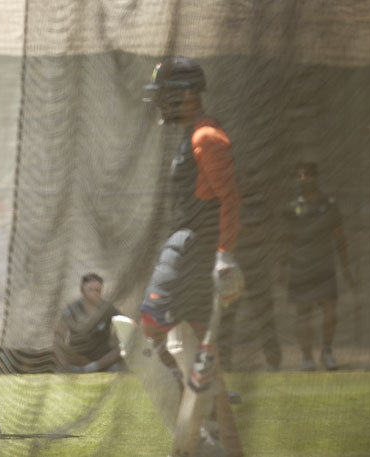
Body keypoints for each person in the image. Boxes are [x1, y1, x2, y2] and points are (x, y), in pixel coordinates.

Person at [137, 56, 244, 457]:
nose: (161, 104)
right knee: (193, 345)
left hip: (195, 252)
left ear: (186, 94)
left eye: (166, 96)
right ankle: (216, 439)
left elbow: (230, 198)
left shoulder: (207, 137)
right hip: (190, 249)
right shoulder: (191, 134)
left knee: (150, 328)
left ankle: (201, 427)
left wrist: (226, 256)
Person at [282, 161, 355, 371]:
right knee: (302, 313)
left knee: (330, 311)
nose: (303, 178)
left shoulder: (329, 205)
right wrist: (282, 268)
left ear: (316, 177)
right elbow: (285, 241)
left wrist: (346, 268)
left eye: (307, 174)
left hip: (324, 268)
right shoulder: (291, 208)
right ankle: (306, 357)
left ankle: (327, 352)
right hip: (299, 268)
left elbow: (340, 238)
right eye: (300, 175)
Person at [218, 167, 282, 372]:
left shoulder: (262, 206)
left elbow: (266, 233)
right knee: (227, 316)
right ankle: (224, 362)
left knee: (265, 314)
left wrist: (247, 232)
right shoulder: (229, 204)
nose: (245, 184)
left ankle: (274, 362)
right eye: (241, 180)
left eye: (249, 179)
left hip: (258, 268)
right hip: (233, 268)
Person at [54, 273, 122, 373]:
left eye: (97, 290)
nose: (94, 293)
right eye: (90, 290)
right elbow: (59, 336)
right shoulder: (72, 310)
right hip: (78, 357)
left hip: (102, 359)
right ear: (82, 290)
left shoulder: (108, 309)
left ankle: (92, 368)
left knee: (119, 349)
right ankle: (74, 370)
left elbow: (124, 324)